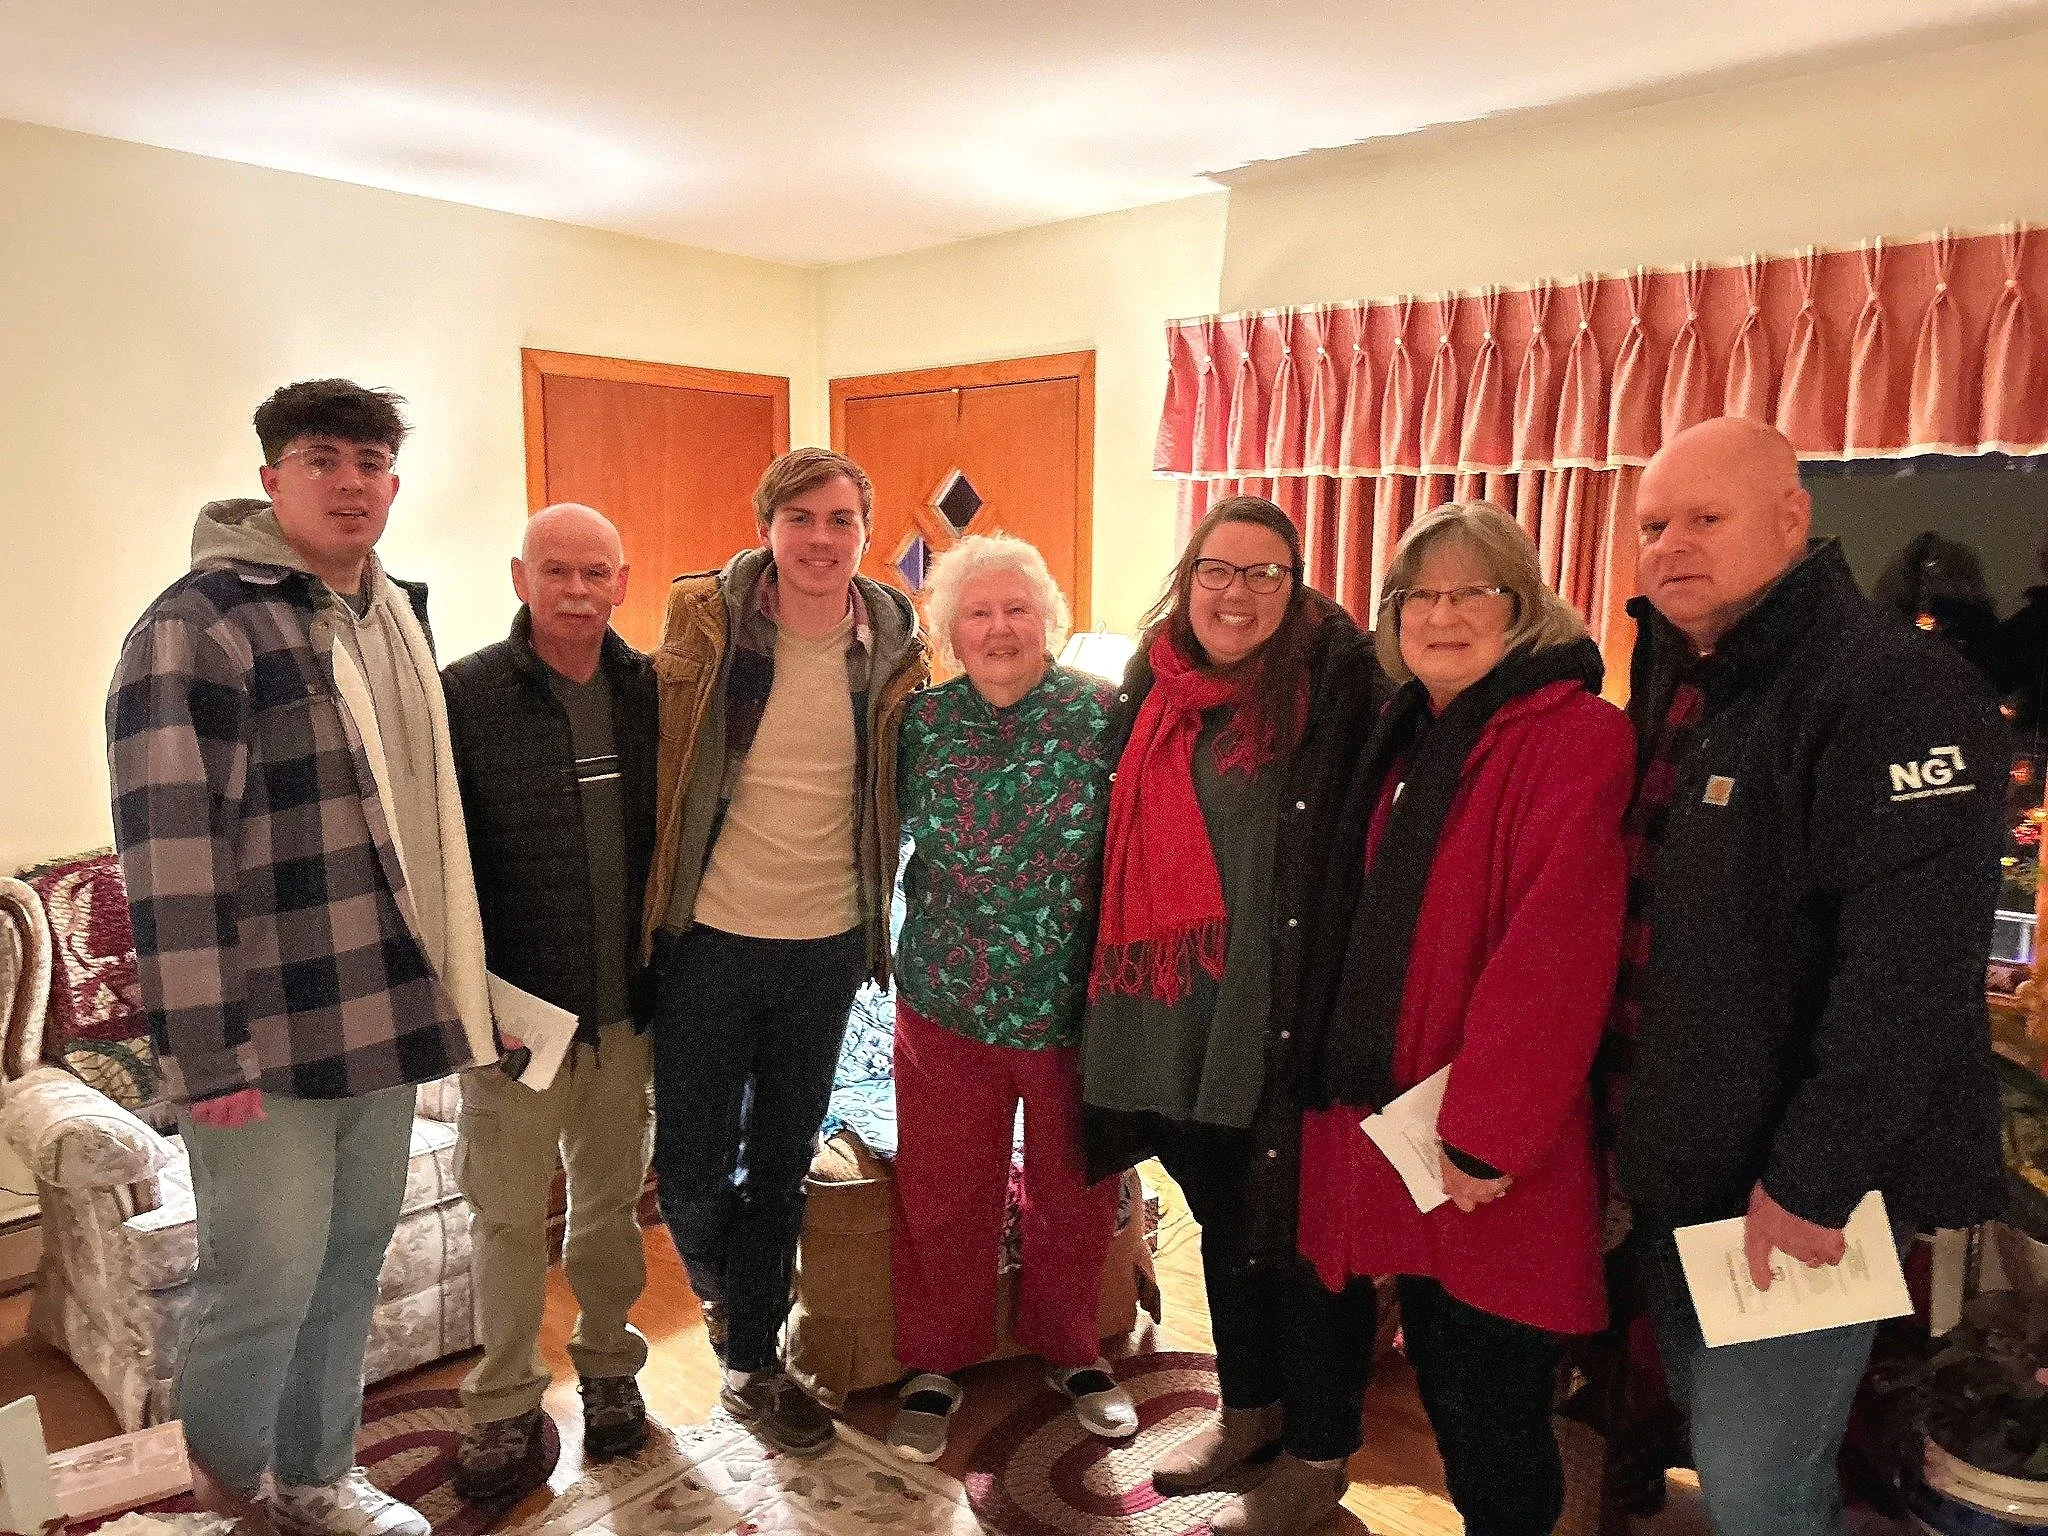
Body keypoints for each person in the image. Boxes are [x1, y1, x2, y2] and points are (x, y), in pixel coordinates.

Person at [107, 380, 489, 1536]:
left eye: (370, 461)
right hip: (263, 1033)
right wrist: (203, 1057)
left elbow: (427, 826)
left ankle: (320, 1476)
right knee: (260, 1284)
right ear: (272, 479)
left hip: (380, 1013)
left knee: (348, 1264)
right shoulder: (199, 624)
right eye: (322, 459)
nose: (350, 482)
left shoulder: (389, 618)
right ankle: (229, 1494)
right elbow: (169, 854)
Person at [1614, 417, 2009, 1536]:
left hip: (1792, 1191)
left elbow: (1908, 979)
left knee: (1755, 1484)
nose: (1670, 547)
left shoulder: (1892, 688)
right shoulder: (1681, 674)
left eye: (1704, 518)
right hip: (1681, 1162)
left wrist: (1811, 1182)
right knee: (1718, 1429)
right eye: (1652, 525)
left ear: (1791, 519)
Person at [1293, 503, 1633, 1536]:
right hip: (1398, 1122)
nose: (1442, 616)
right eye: (1418, 596)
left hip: (1485, 1143)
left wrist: (1487, 1133)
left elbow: (1555, 949)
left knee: (1489, 1406)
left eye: (1470, 592)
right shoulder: (1408, 740)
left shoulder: (1574, 735)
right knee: (1439, 1379)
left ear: (1519, 606)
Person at [1080, 495, 1385, 1535]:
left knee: (1305, 1243)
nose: (1236, 592)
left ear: (1294, 586)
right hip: (1175, 1019)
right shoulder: (1150, 683)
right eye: (1218, 569)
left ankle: (1315, 1452)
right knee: (1223, 1221)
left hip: (1284, 1014)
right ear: (1187, 574)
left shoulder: (1338, 690)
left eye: (1264, 574)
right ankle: (1246, 1410)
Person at [640, 447, 927, 1456]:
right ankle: (735, 1302)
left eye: (841, 519)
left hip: (826, 946)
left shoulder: (894, 643)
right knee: (685, 1168)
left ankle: (752, 1360)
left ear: (863, 532)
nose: (820, 538)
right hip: (708, 938)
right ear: (766, 526)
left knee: (780, 1165)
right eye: (800, 517)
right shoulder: (703, 622)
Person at [882, 533, 1137, 1463]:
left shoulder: (1106, 716)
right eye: (978, 613)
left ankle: (1070, 1349)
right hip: (946, 998)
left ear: (1049, 621)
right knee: (946, 1191)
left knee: (1076, 1189)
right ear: (949, 629)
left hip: (1076, 1004)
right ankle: (936, 1362)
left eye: (1017, 609)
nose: (999, 629)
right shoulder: (918, 723)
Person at [440, 505, 658, 1499]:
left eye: (596, 574)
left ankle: (611, 1372)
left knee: (611, 1213)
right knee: (506, 1223)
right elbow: (441, 866)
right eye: (557, 572)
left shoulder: (651, 690)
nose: (577, 591)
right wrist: (466, 1004)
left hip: (624, 1017)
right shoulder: (463, 696)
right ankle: (501, 1406)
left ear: (621, 581)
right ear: (521, 575)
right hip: (513, 1016)